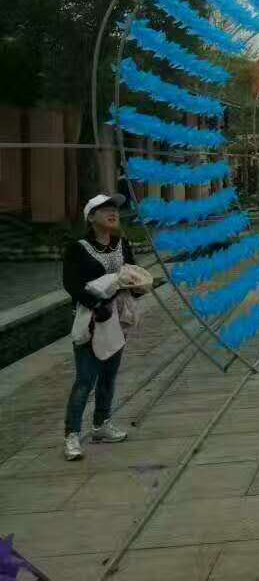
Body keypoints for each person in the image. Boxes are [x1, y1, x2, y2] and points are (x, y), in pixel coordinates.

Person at [62, 193, 152, 461]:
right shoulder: (78, 248)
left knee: (109, 375)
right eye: (105, 209)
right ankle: (72, 435)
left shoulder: (121, 243)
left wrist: (137, 287)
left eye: (114, 209)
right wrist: (95, 304)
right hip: (91, 319)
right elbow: (71, 284)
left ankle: (101, 424)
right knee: (85, 379)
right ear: (91, 217)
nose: (113, 213)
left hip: (117, 317)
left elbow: (131, 272)